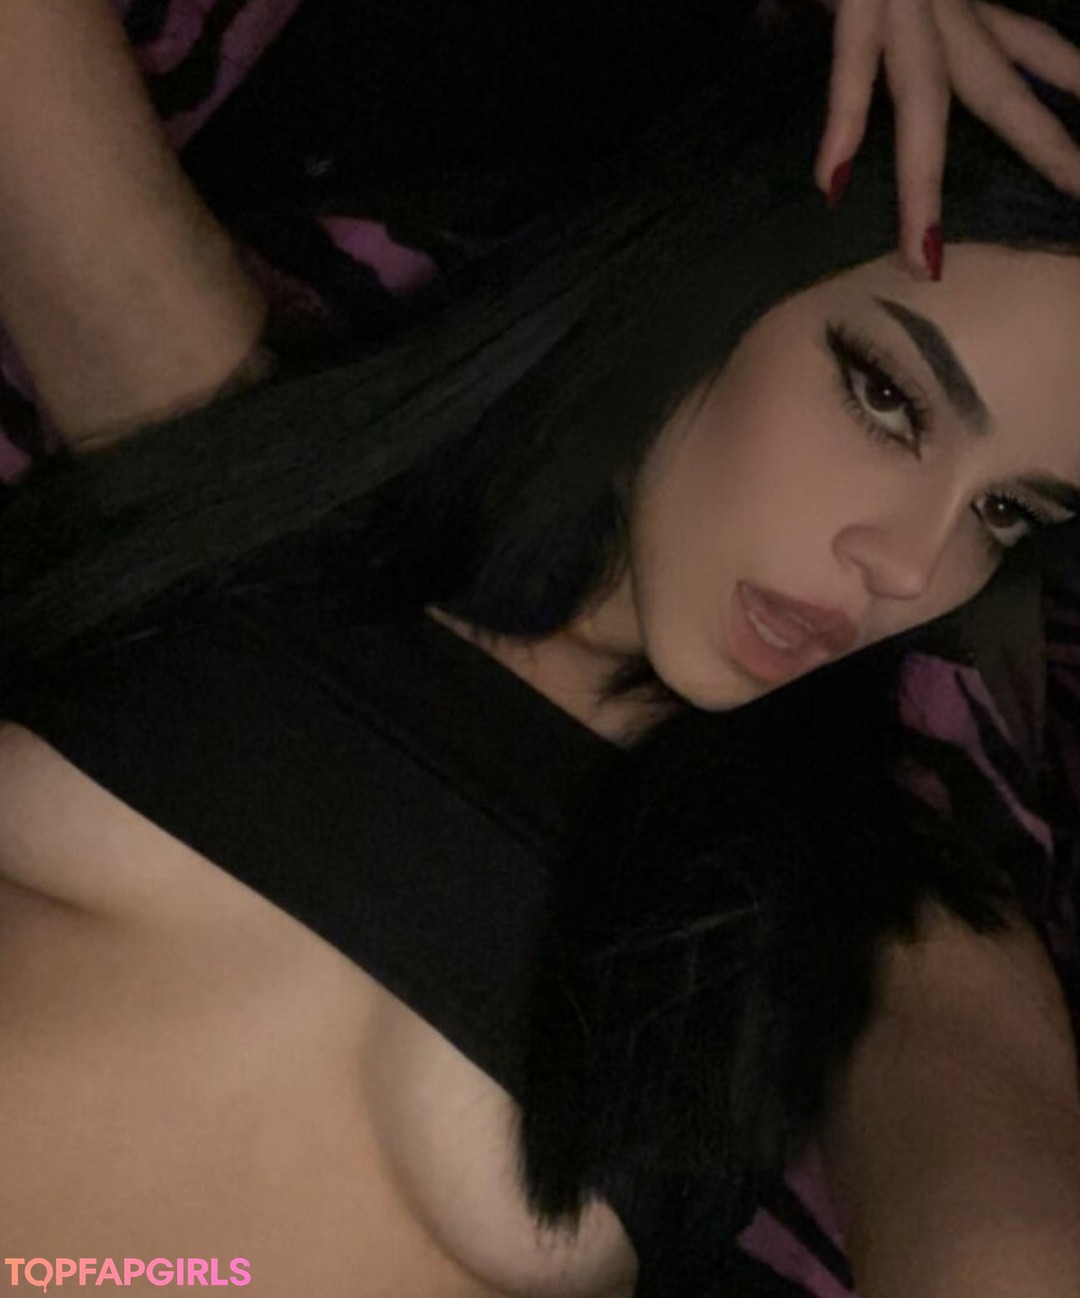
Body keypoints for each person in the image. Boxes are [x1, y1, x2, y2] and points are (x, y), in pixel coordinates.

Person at [0, 3, 1078, 1297]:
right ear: (715, 252)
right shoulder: (259, 473)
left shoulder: (874, 909)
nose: (911, 568)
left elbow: (1008, 1228)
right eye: (888, 398)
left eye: (1003, 512)